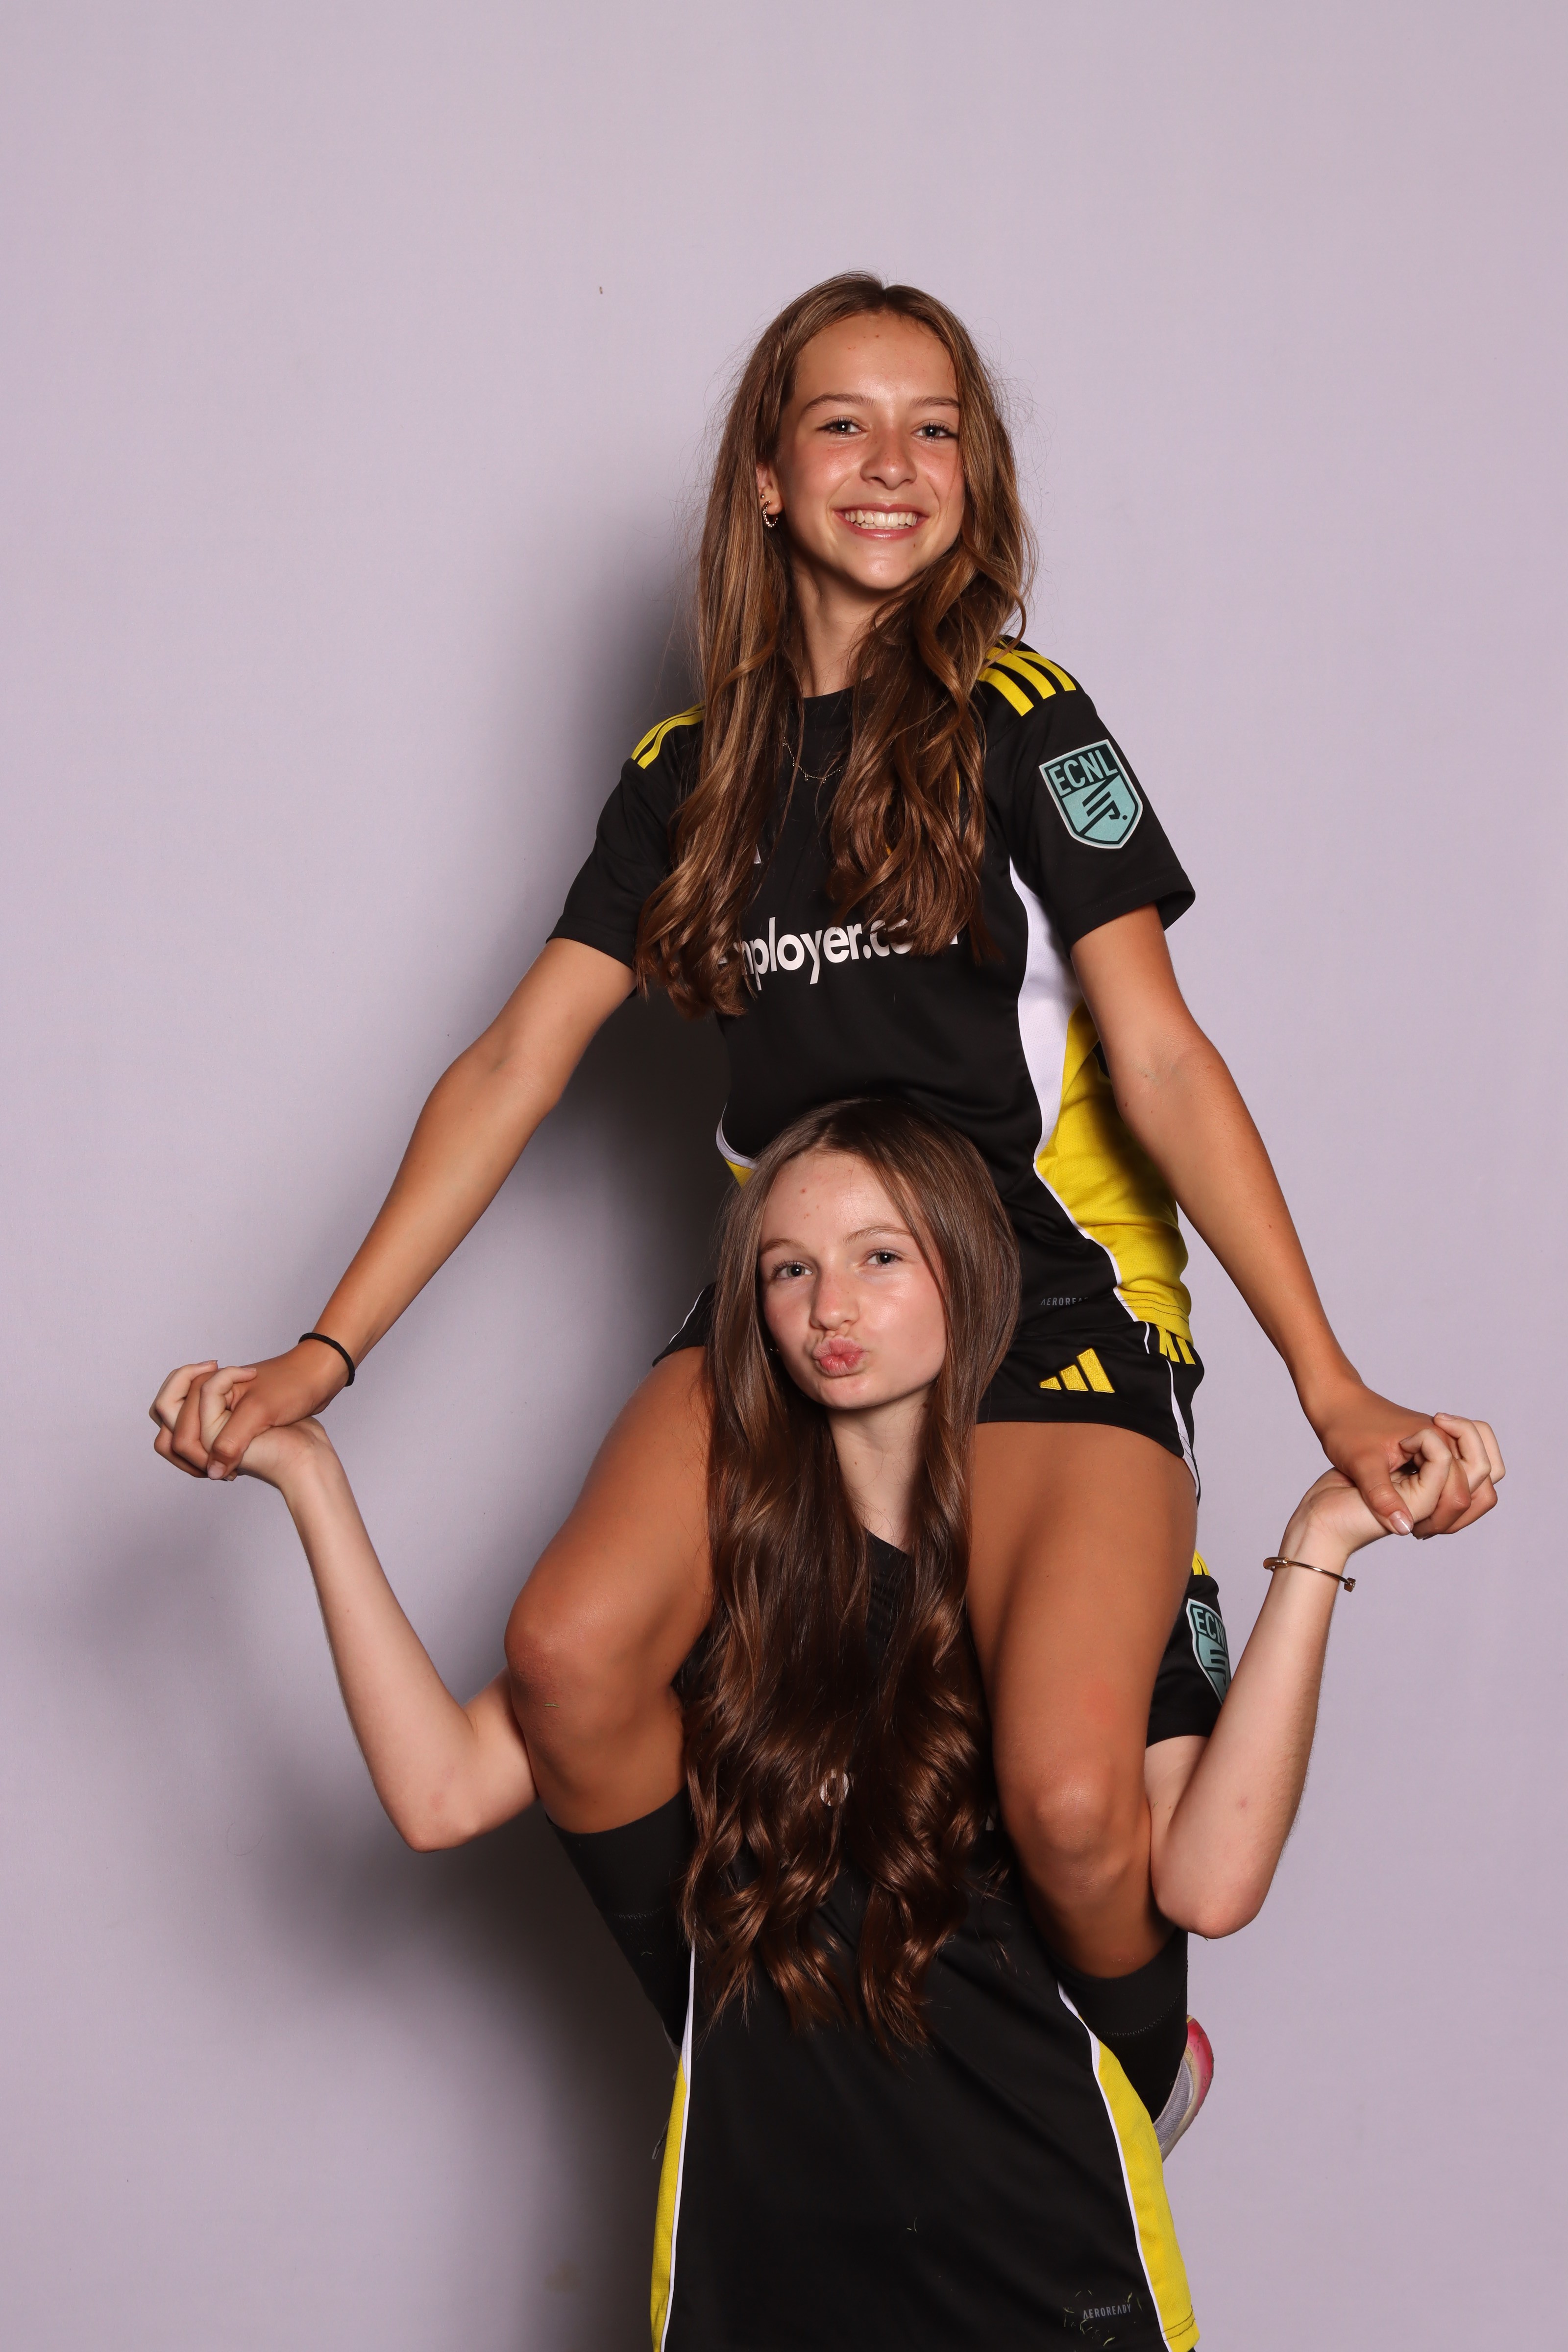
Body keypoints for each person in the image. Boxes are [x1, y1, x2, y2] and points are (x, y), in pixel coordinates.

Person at [153, 270, 1498, 2130]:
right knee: (567, 1659)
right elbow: (514, 1066)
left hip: (1042, 1293)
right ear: (769, 481)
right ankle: (762, 2074)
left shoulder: (1026, 722)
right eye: (844, 425)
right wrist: (326, 1354)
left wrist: (1328, 1383)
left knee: (1073, 1802)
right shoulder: (683, 776)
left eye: (935, 429)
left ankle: (1125, 2080)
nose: (893, 464)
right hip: (799, 1291)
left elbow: (1167, 1061)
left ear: (975, 478)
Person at [149, 1100, 1502, 2352]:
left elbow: (1209, 1881)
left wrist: (1319, 1546)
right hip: (755, 2273)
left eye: (879, 1259)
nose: (829, 1307)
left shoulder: (1078, 1582)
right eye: (788, 1270)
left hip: (1045, 2257)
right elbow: (439, 1790)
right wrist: (312, 1483)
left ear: (970, 1277)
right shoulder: (713, 1582)